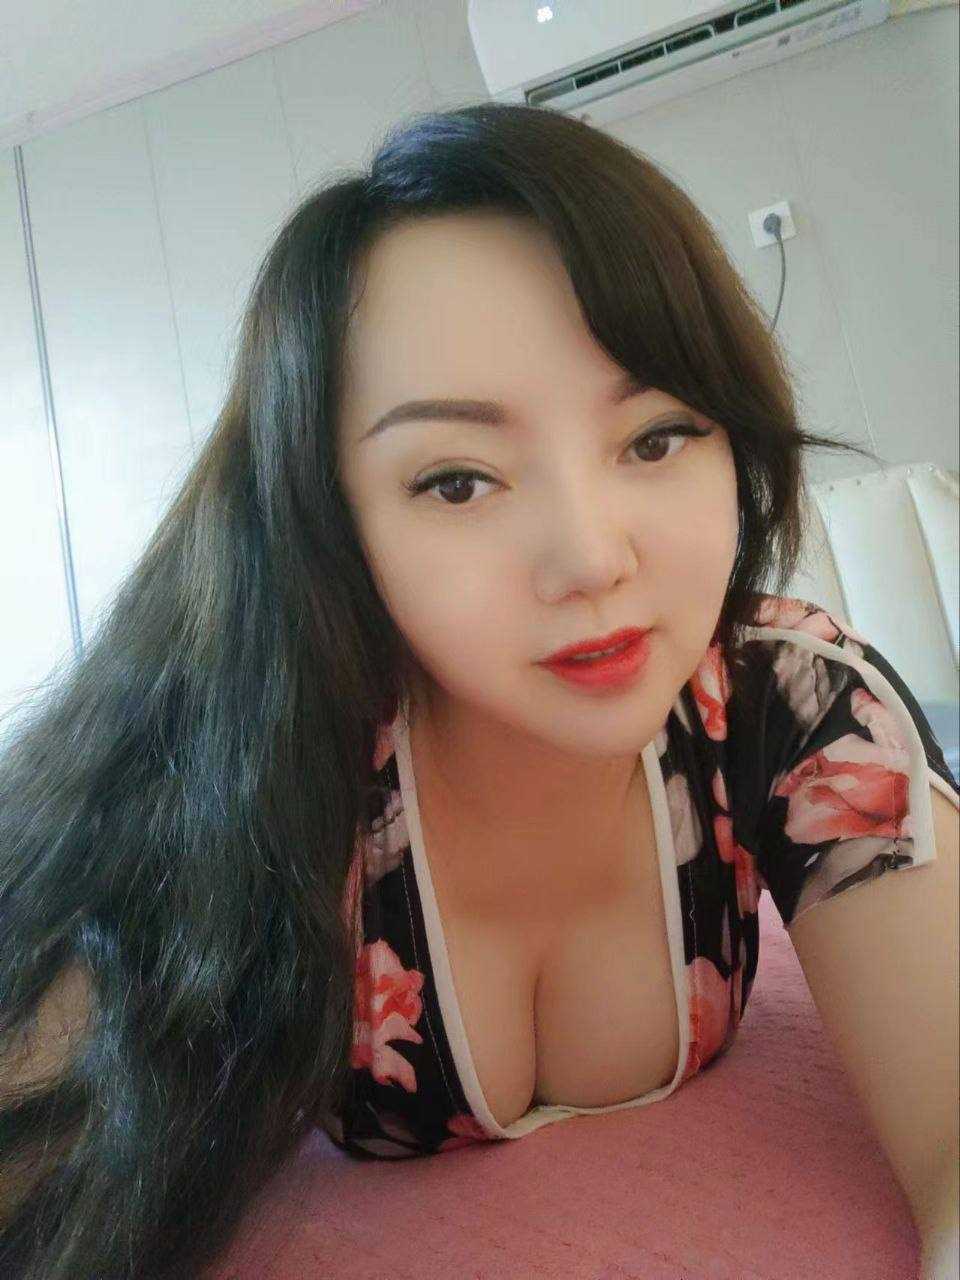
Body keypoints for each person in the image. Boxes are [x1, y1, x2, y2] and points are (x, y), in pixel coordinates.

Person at [1, 101, 955, 1279]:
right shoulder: (246, 758)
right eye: (457, 480)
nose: (591, 558)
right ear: (331, 520)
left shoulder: (793, 701)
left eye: (657, 436)